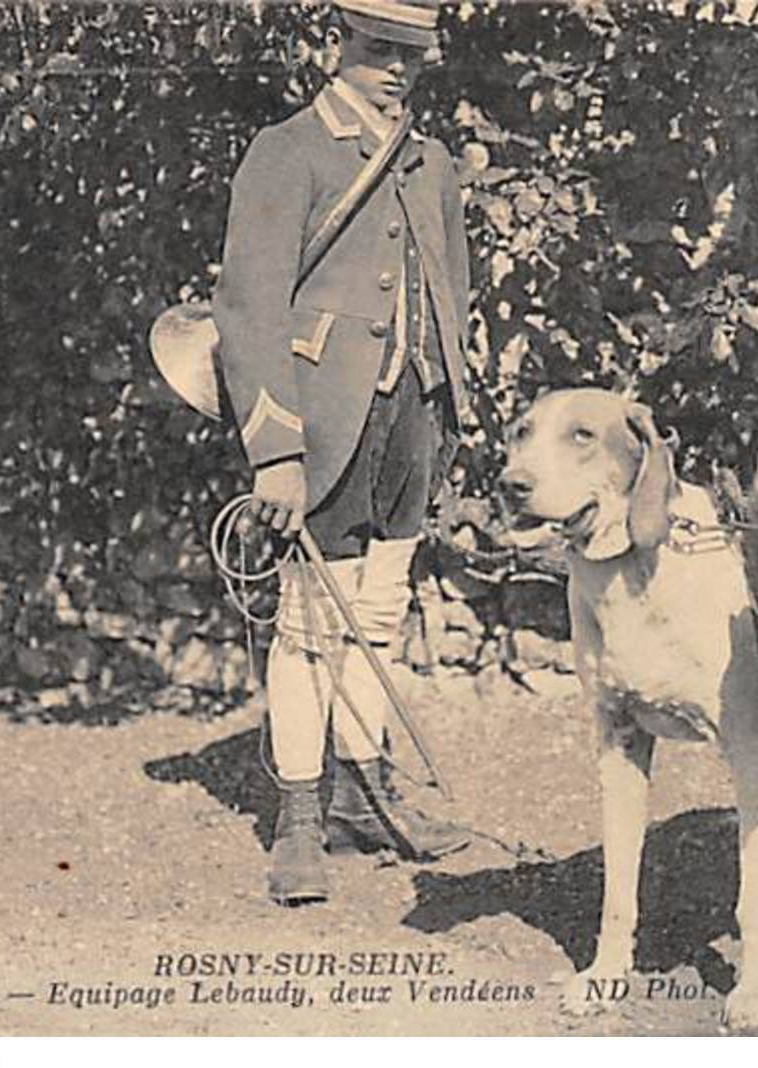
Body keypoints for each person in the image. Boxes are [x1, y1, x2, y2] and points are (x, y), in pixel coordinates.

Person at [212, 0, 474, 906]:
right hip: (322, 424)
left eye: (411, 53)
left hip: (413, 415)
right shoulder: (287, 150)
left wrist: (451, 406)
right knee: (307, 618)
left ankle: (367, 792)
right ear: (340, 44)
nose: (396, 69)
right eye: (378, 49)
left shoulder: (429, 162)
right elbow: (247, 313)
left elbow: (452, 292)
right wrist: (274, 448)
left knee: (381, 607)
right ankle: (298, 816)